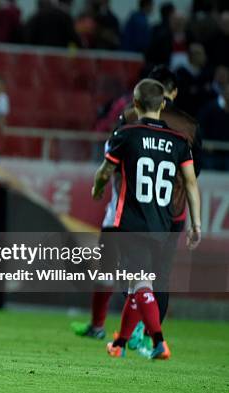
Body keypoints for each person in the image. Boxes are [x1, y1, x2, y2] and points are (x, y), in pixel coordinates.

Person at [73, 66, 202, 350]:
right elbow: (192, 182)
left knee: (139, 283)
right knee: (144, 282)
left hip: (132, 219)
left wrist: (97, 187)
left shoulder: (128, 131)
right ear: (166, 100)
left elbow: (106, 170)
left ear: (136, 103)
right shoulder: (181, 138)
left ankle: (157, 341)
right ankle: (120, 341)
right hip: (165, 221)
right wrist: (197, 224)